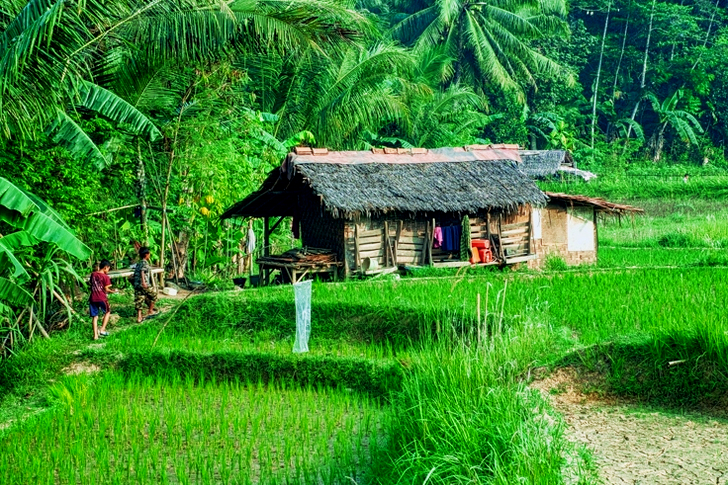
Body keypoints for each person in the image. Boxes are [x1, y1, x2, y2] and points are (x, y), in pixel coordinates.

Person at [89, 260, 113, 340]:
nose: (108, 271)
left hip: (93, 298)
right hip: (102, 297)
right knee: (107, 312)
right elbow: (106, 289)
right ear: (105, 267)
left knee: (95, 317)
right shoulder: (106, 277)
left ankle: (95, 335)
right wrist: (113, 291)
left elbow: (91, 284)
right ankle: (102, 329)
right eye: (108, 269)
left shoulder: (93, 274)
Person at [133, 247, 157, 323]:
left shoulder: (139, 263)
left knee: (140, 299)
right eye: (149, 253)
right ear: (146, 254)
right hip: (143, 284)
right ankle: (150, 310)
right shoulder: (144, 263)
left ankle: (139, 317)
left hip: (137, 285)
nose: (149, 255)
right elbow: (142, 271)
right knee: (154, 295)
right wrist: (143, 282)